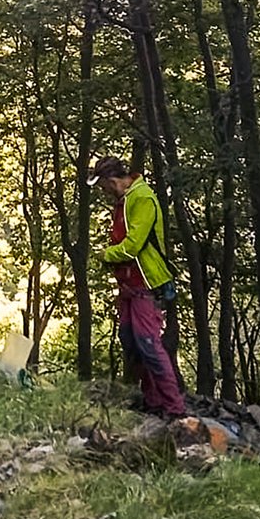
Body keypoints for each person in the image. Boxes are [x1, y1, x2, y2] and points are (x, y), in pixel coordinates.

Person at [90, 155, 186, 419]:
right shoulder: (123, 201)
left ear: (112, 181)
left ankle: (174, 407)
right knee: (130, 341)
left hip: (146, 283)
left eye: (103, 187)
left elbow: (134, 245)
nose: (104, 193)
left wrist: (106, 255)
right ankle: (153, 400)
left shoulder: (142, 198)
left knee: (149, 344)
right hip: (129, 284)